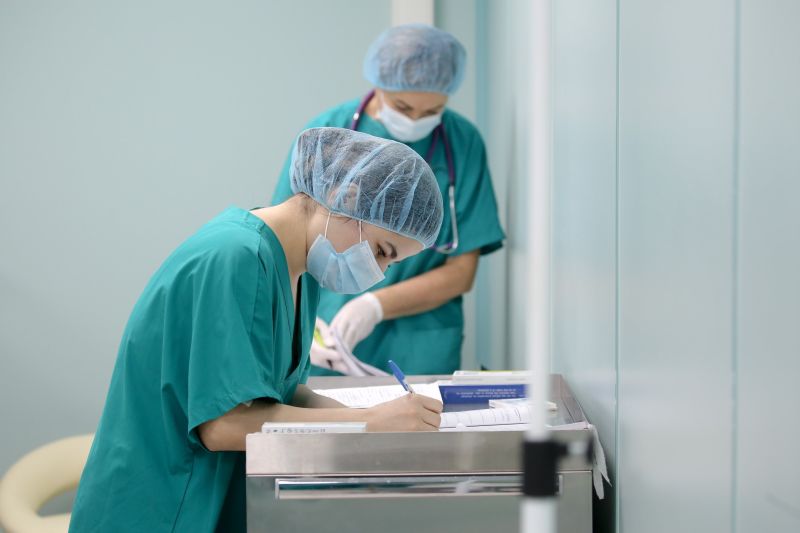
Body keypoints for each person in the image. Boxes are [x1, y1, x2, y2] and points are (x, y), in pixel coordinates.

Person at [69, 127, 444, 533]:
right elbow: (225, 424)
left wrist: (375, 418)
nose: (379, 271)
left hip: (202, 501)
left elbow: (282, 393)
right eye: (382, 251)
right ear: (345, 197)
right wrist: (370, 424)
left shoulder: (300, 270)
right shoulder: (237, 256)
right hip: (158, 507)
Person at [272, 24, 505, 376]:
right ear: (378, 83)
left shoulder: (462, 142)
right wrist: (299, 321)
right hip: (327, 331)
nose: (414, 120)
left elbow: (461, 271)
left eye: (432, 111)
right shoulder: (331, 132)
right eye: (403, 106)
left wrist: (374, 305)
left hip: (420, 345)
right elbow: (288, 237)